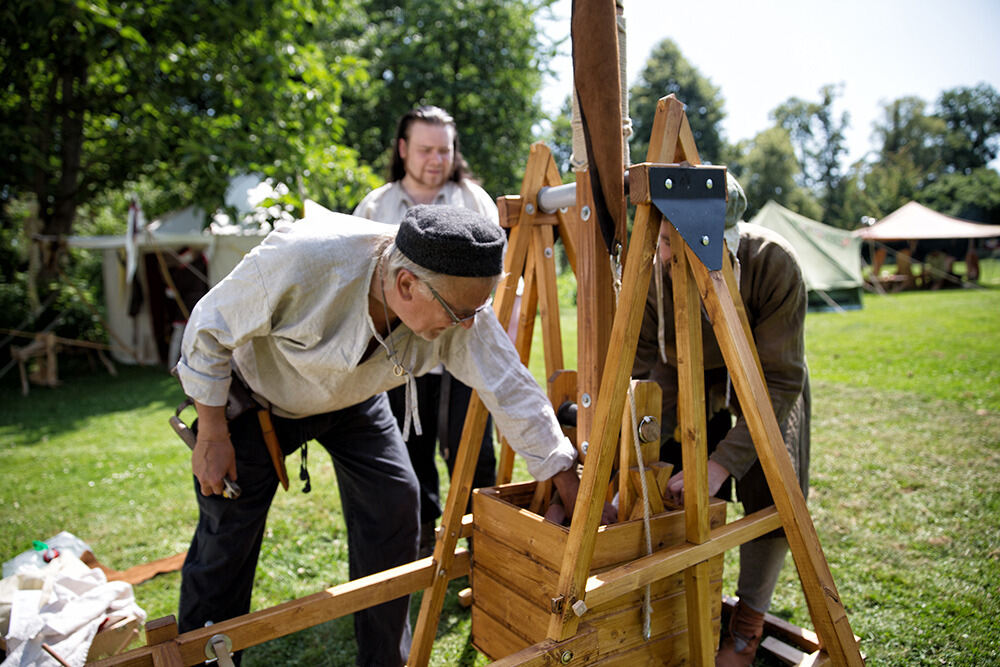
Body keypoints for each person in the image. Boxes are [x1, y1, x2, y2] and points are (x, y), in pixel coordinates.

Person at [175, 204, 605, 666]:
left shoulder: (454, 294)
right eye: (459, 313)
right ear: (405, 285)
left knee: (396, 506)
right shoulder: (303, 258)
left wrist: (563, 472)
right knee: (225, 540)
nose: (466, 326)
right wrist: (213, 433)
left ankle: (384, 662)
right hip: (256, 402)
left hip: (356, 403)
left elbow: (507, 383)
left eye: (474, 313)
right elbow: (208, 329)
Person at [632, 174, 810, 667]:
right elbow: (643, 365)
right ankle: (674, 603)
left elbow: (779, 381)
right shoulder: (654, 273)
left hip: (761, 376)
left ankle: (747, 619)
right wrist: (636, 440)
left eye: (674, 242)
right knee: (660, 467)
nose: (664, 254)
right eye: (661, 240)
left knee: (770, 479)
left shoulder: (774, 264)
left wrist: (720, 464)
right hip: (677, 371)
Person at [354, 105, 500, 557]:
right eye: (425, 149)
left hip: (463, 347)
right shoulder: (377, 204)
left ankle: (484, 548)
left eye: (445, 150)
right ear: (403, 149)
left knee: (471, 452)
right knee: (409, 453)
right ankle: (421, 546)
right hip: (398, 353)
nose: (436, 159)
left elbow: (496, 274)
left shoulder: (474, 200)